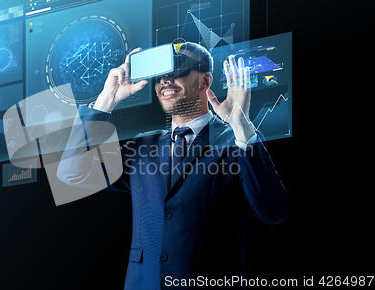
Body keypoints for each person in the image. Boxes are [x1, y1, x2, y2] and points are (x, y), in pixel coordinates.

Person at [57, 42, 289, 289]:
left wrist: (240, 125)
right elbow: (72, 174)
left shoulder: (239, 141)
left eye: (178, 70)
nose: (166, 80)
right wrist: (106, 101)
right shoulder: (142, 146)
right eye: (159, 75)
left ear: (205, 80)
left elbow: (273, 213)